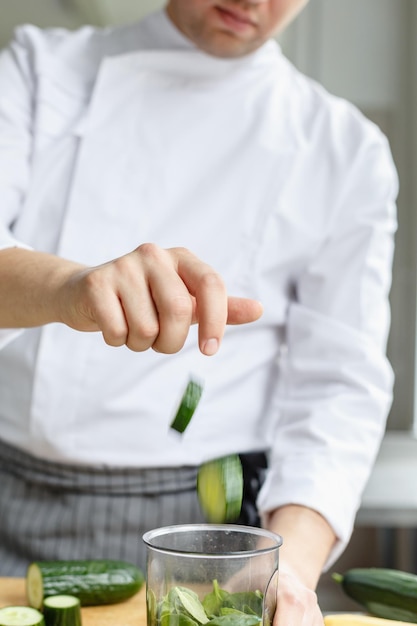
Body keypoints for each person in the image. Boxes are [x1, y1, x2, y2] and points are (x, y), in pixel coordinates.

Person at [0, 0, 398, 624]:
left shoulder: (343, 149)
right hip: (10, 491)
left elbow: (339, 388)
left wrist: (285, 571)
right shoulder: (38, 70)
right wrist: (71, 289)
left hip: (208, 536)